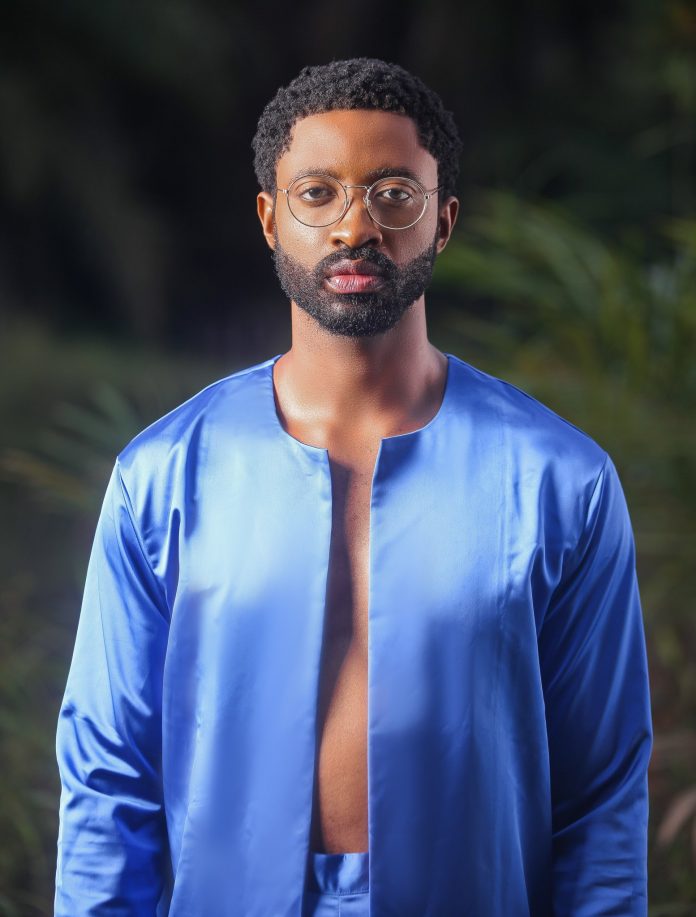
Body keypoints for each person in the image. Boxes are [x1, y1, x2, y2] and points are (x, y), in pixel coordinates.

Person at [54, 58, 653, 917]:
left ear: (443, 221)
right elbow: (108, 774)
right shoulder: (162, 475)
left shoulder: (564, 481)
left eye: (393, 194)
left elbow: (601, 795)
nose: (354, 227)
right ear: (270, 217)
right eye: (318, 193)